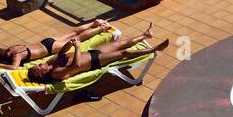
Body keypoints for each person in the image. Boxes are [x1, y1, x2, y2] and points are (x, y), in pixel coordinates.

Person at [26, 23, 168, 84]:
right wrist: (76, 47)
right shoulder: (56, 73)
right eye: (39, 67)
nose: (40, 64)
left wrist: (70, 43)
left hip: (91, 52)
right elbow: (76, 65)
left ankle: (146, 35)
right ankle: (154, 49)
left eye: (38, 65)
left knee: (121, 43)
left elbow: (61, 53)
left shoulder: (51, 63)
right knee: (123, 52)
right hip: (95, 62)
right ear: (42, 74)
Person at [0, 19, 116, 69]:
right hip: (45, 41)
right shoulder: (12, 48)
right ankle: (95, 23)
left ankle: (101, 29)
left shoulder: (16, 57)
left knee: (78, 38)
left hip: (50, 48)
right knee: (73, 32)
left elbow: (14, 67)